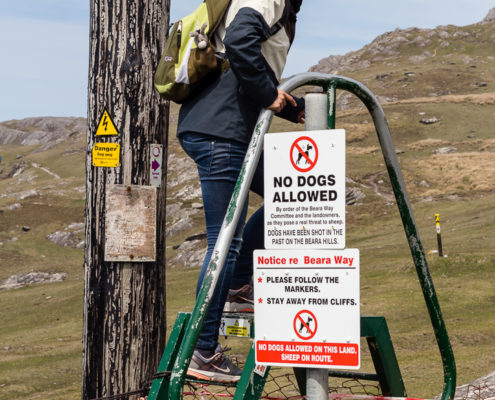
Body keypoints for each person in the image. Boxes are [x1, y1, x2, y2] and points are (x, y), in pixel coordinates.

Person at [177, 0, 304, 383]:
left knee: (295, 193)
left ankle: (239, 280)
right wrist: (269, 96)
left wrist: (283, 105)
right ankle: (202, 349)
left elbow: (245, 65)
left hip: (227, 127)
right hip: (222, 131)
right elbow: (238, 42)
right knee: (225, 240)